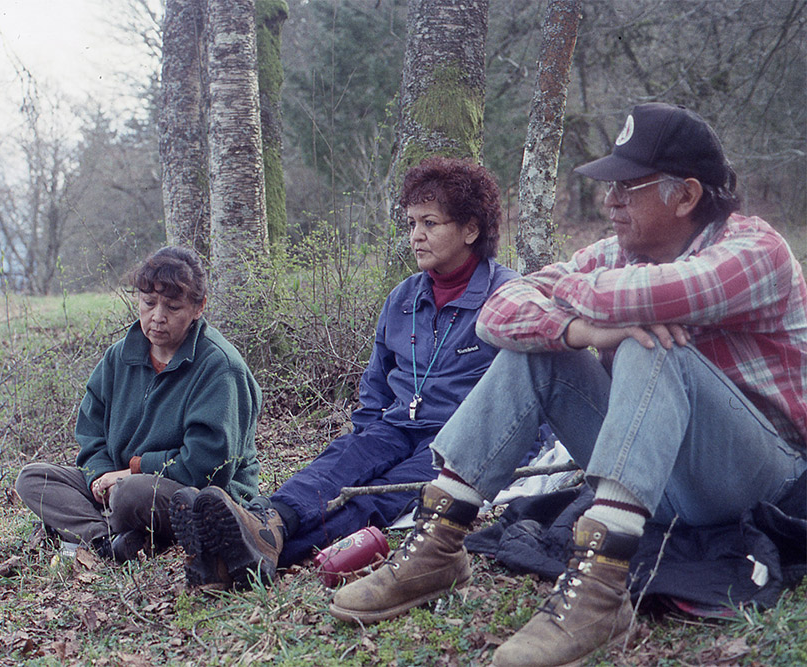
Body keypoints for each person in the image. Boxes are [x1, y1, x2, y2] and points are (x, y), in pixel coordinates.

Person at [329, 103, 807, 666]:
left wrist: (587, 305)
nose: (610, 201)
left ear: (686, 195)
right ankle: (440, 538)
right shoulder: (616, 253)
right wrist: (577, 328)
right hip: (661, 476)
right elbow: (497, 311)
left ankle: (601, 588)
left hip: (756, 477)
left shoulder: (755, 251)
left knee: (651, 343)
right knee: (540, 351)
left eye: (629, 187)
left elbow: (638, 299)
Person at [170, 157, 520, 590]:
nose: (416, 236)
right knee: (338, 464)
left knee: (378, 497)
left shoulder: (506, 295)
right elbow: (376, 383)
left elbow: (525, 394)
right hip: (395, 426)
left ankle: (241, 557)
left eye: (430, 223)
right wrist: (368, 437)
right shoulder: (404, 297)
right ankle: (266, 521)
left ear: (470, 229)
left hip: (456, 441)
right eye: (411, 223)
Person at [15, 246, 261, 563]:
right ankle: (109, 541)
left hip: (196, 493)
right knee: (33, 478)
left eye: (172, 307)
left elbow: (207, 467)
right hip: (116, 486)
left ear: (198, 307)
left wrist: (130, 472)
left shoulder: (220, 367)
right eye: (148, 303)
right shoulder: (119, 356)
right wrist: (99, 478)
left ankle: (94, 529)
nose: (157, 317)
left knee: (132, 494)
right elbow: (90, 433)